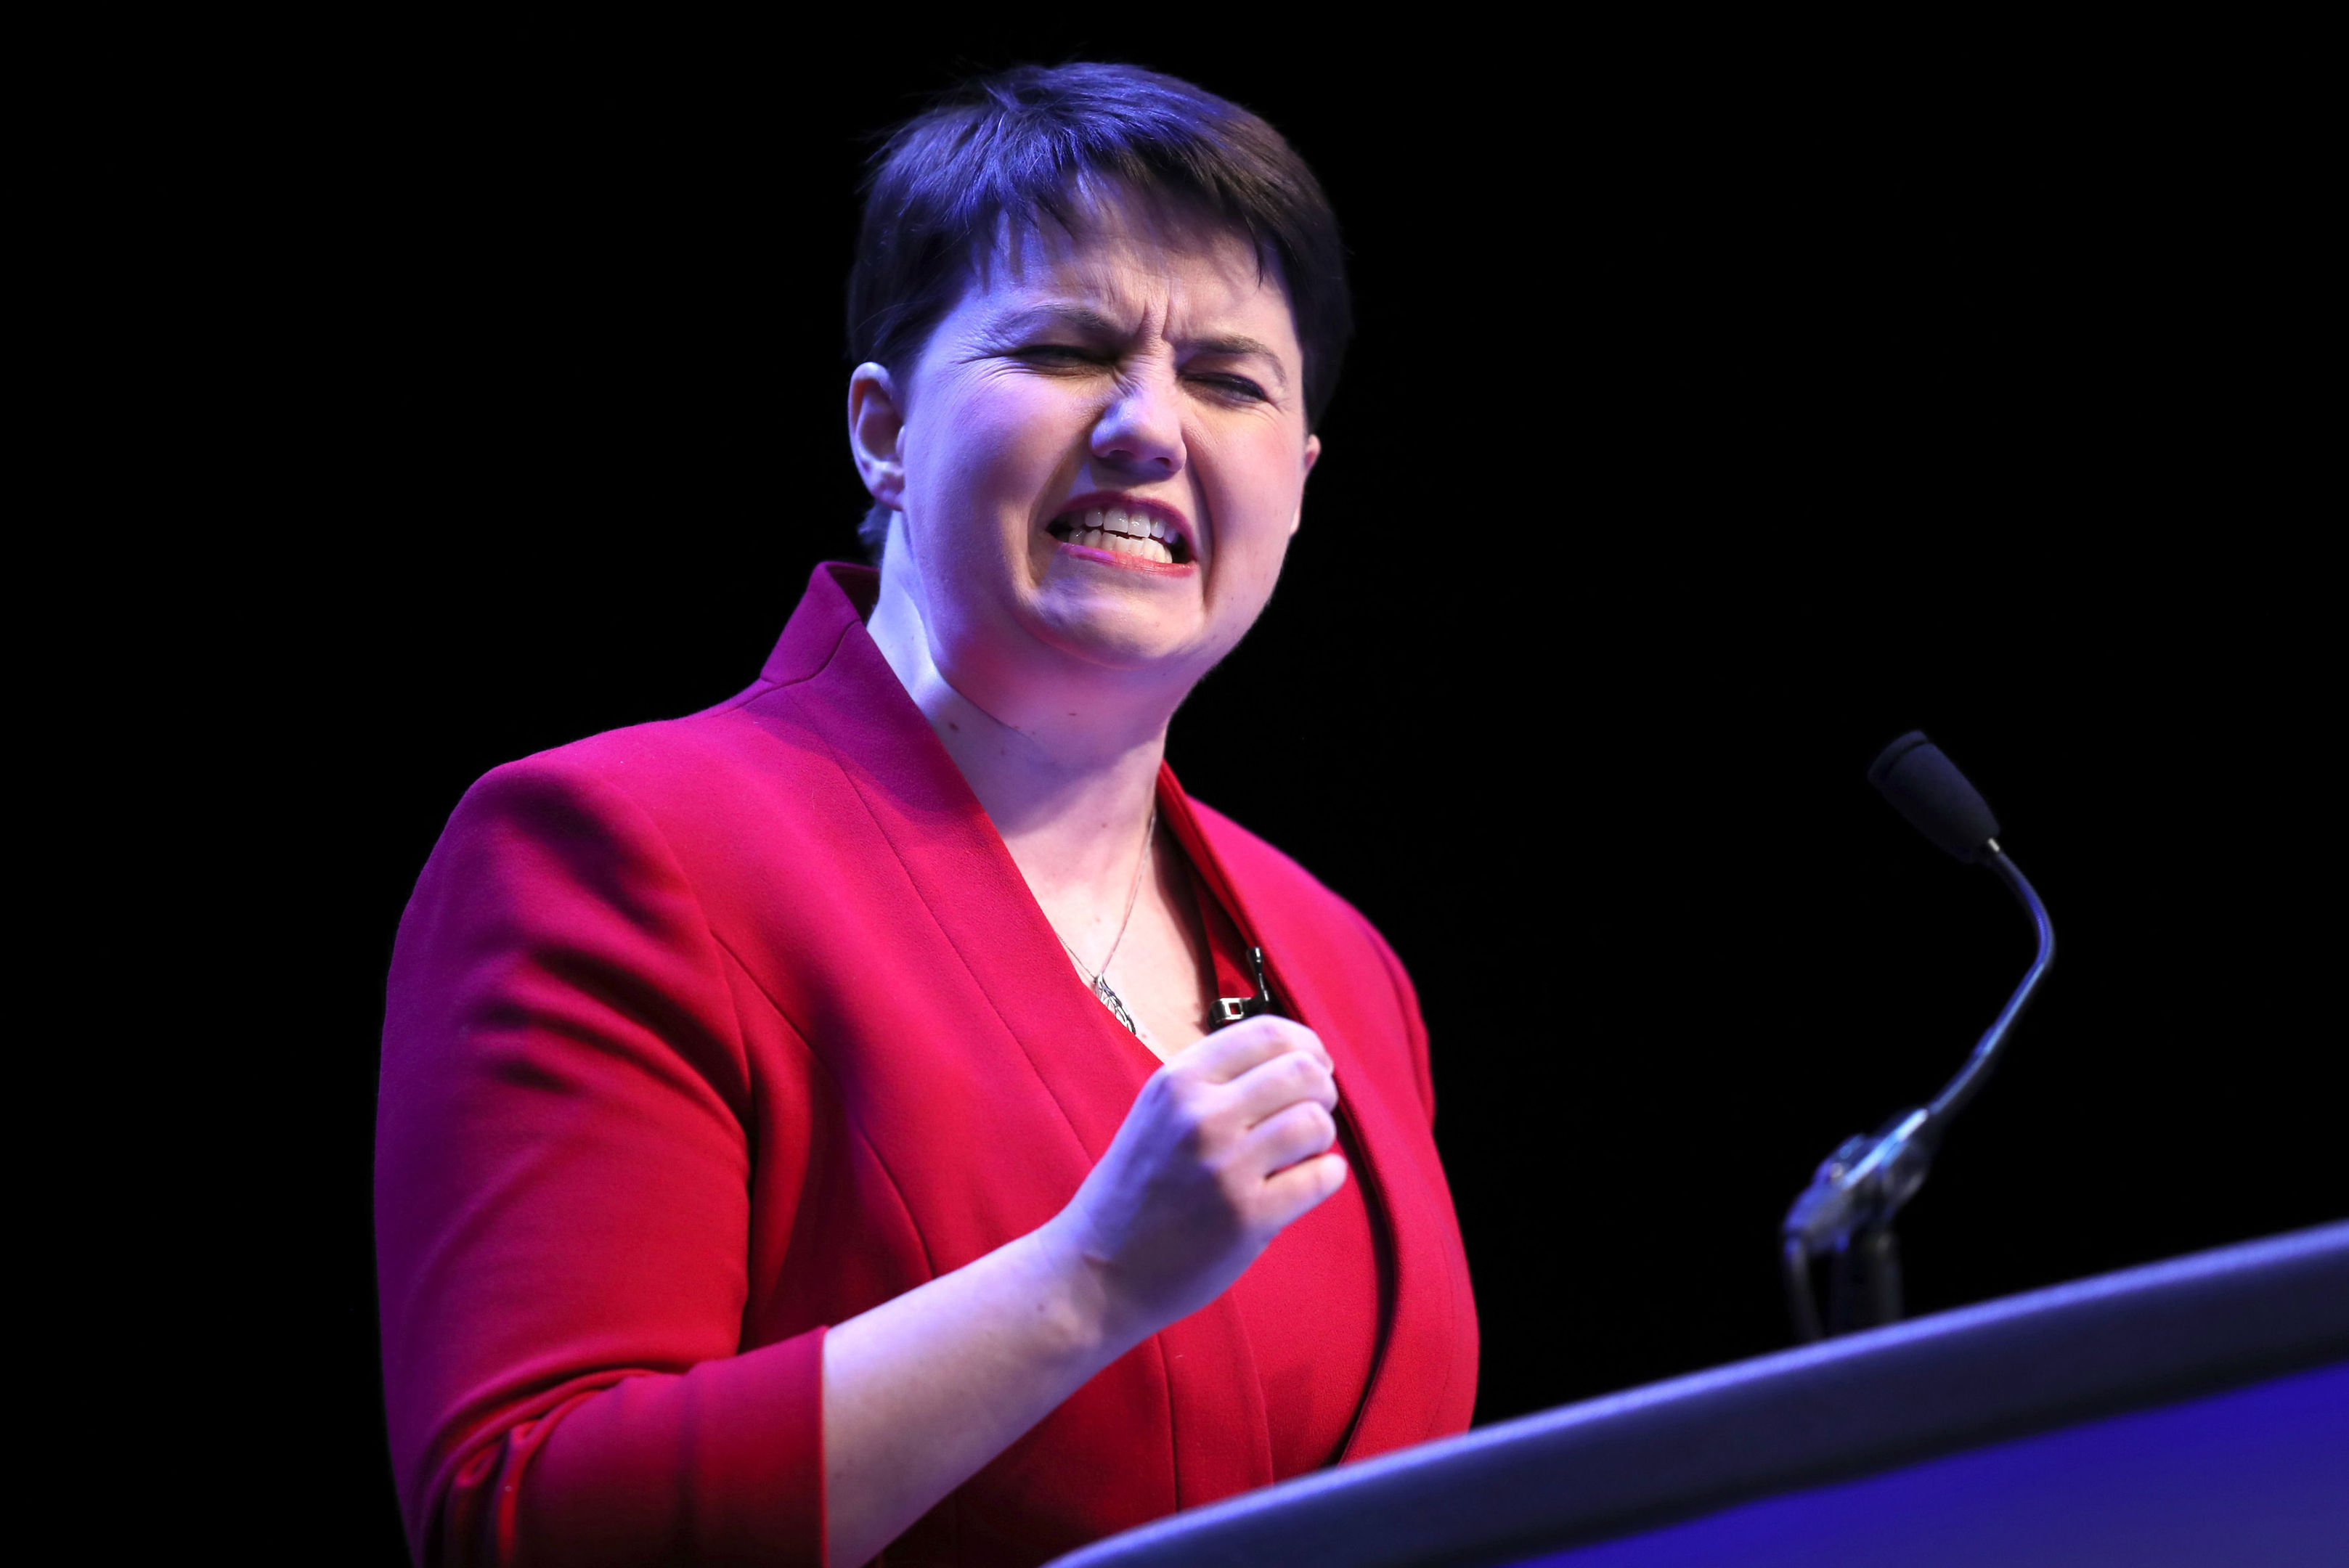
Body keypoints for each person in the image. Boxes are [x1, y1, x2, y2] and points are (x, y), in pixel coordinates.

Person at [376, 62, 1477, 1568]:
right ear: (883, 435)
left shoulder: (1337, 961)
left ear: (1294, 480)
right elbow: (533, 1518)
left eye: (1228, 380)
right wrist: (1084, 1283)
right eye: (1067, 350)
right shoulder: (615, 852)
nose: (1149, 429)